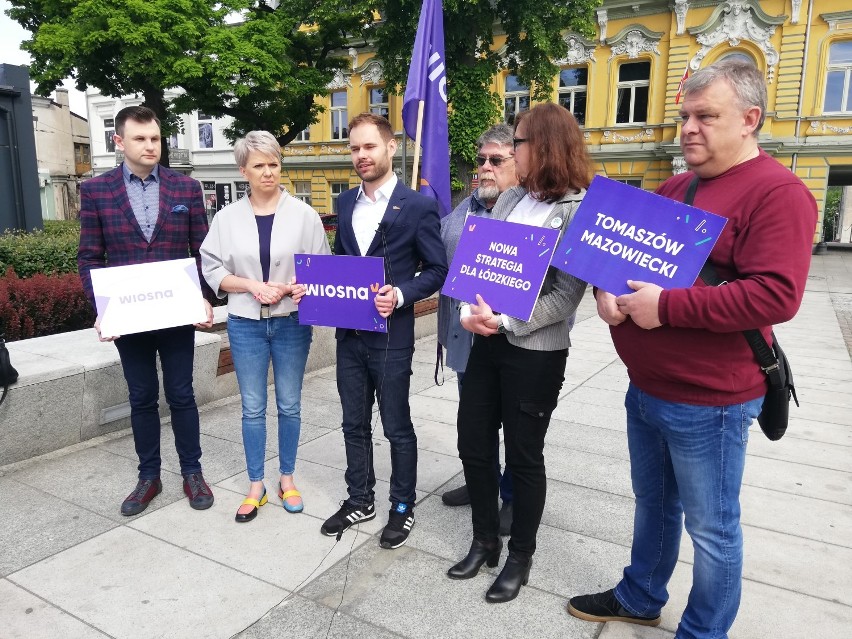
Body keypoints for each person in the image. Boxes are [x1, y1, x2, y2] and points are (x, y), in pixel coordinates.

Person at [567, 59, 817, 638]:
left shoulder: (779, 193)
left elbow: (776, 296)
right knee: (654, 506)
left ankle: (704, 631)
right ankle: (639, 596)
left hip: (713, 403)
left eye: (707, 117)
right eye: (685, 116)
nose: (689, 129)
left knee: (713, 528)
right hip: (648, 389)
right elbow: (621, 258)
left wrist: (668, 308)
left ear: (750, 119)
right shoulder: (678, 186)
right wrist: (605, 292)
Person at [448, 103, 590, 603]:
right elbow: (479, 266)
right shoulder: (510, 200)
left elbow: (566, 295)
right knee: (473, 442)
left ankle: (519, 557)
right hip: (486, 342)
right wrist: (470, 310)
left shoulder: (575, 209)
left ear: (544, 147)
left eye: (521, 143)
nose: (513, 152)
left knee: (524, 457)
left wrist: (507, 320)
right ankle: (484, 539)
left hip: (535, 351)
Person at [77, 105, 215, 516]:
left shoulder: (185, 188)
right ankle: (148, 477)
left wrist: (204, 297)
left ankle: (192, 472)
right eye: (140, 138)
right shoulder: (96, 191)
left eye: (155, 138)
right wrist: (101, 309)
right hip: (129, 316)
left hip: (176, 316)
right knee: (141, 397)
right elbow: (89, 257)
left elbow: (201, 250)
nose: (150, 145)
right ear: (119, 142)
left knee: (182, 394)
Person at [320, 113, 448, 549]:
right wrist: (315, 287)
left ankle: (401, 506)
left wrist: (400, 293)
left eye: (369, 146)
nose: (361, 155)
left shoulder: (417, 205)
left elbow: (436, 270)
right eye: (354, 148)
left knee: (396, 426)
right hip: (349, 335)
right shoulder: (344, 203)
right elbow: (342, 263)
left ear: (391, 148)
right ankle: (361, 499)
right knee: (352, 423)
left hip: (392, 335)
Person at [200, 131, 330, 523]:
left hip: (291, 321)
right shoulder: (226, 218)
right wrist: (251, 285)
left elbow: (320, 266)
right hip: (245, 324)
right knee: (252, 407)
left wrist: (301, 287)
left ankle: (286, 478)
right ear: (244, 171)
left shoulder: (304, 215)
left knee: (289, 403)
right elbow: (212, 267)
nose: (268, 172)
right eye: (259, 165)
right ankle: (255, 484)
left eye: (274, 163)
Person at [438, 124, 517, 536]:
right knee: (476, 422)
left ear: (518, 164)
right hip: (468, 339)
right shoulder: (461, 212)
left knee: (515, 428)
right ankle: (479, 482)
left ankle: (512, 497)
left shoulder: (530, 210)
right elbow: (439, 262)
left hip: (514, 342)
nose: (485, 168)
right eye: (481, 159)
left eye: (496, 160)